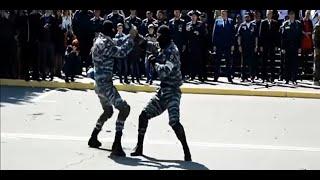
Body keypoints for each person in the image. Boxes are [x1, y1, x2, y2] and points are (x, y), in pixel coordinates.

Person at [130, 25, 192, 161]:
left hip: (173, 91)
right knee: (143, 115)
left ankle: (186, 151)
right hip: (163, 91)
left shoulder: (172, 51)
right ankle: (139, 147)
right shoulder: (162, 46)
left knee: (174, 122)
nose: (157, 38)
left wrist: (153, 63)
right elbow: (148, 45)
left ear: (165, 36)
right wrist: (136, 35)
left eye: (158, 35)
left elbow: (164, 71)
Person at [88, 20, 138, 157]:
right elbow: (121, 52)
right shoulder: (106, 43)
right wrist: (132, 37)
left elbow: (116, 45)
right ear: (110, 31)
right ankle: (117, 144)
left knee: (108, 111)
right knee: (124, 109)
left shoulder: (99, 40)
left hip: (98, 84)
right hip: (106, 85)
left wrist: (128, 36)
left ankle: (93, 137)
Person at [212, 10, 236, 83]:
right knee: (217, 61)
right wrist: (214, 44)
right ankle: (216, 77)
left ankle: (229, 77)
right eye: (222, 13)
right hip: (219, 44)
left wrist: (232, 44)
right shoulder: (217, 21)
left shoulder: (231, 21)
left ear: (227, 14)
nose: (223, 14)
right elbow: (214, 33)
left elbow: (233, 34)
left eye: (225, 13)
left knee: (228, 62)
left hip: (228, 45)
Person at [280, 10, 302, 84]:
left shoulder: (298, 24)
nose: (292, 15)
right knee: (287, 63)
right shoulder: (285, 24)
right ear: (288, 15)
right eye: (290, 14)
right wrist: (282, 48)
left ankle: (294, 79)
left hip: (295, 46)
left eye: (293, 14)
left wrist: (299, 47)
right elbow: (283, 37)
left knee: (295, 63)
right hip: (287, 47)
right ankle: (287, 79)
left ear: (294, 15)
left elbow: (300, 36)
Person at [259, 10, 281, 83]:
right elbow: (260, 34)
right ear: (266, 14)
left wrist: (277, 45)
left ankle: (272, 78)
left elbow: (277, 35)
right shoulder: (263, 22)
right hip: (264, 45)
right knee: (264, 61)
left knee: (272, 61)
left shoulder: (275, 23)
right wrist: (261, 45)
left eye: (270, 14)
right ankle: (264, 77)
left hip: (272, 45)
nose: (269, 15)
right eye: (268, 14)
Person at [186, 10, 207, 82]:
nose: (193, 17)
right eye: (192, 16)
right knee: (191, 61)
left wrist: (199, 33)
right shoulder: (188, 24)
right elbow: (186, 35)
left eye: (195, 16)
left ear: (197, 17)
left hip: (199, 46)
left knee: (199, 62)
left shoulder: (201, 24)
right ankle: (192, 76)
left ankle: (200, 76)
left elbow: (205, 34)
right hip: (191, 46)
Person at [237, 12, 258, 82]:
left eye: (248, 17)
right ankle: (243, 77)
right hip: (244, 47)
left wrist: (256, 46)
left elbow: (256, 37)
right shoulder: (242, 25)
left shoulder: (254, 25)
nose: (247, 18)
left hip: (252, 47)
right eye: (245, 17)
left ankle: (252, 77)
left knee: (252, 63)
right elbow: (239, 36)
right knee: (243, 63)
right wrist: (239, 45)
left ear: (250, 17)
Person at [169, 10, 187, 80]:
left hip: (180, 44)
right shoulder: (171, 22)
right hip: (172, 44)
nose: (177, 13)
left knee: (180, 60)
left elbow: (185, 34)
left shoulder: (183, 22)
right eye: (176, 12)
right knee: (172, 59)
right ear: (174, 12)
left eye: (178, 12)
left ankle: (181, 75)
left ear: (180, 13)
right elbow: (169, 33)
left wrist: (184, 44)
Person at [39, 10, 56, 81]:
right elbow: (39, 30)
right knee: (43, 59)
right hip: (43, 42)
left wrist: (50, 27)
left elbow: (55, 30)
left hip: (51, 42)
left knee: (51, 59)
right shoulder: (41, 18)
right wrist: (43, 28)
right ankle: (43, 74)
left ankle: (51, 74)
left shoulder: (53, 19)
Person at [301, 10, 314, 77]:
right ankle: (303, 69)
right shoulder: (302, 21)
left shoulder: (310, 21)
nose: (308, 15)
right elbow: (300, 29)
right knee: (303, 56)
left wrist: (308, 33)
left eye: (309, 14)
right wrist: (305, 33)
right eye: (307, 13)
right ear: (305, 14)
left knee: (307, 56)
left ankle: (307, 69)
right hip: (303, 40)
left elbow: (312, 29)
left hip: (308, 40)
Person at [53, 10, 65, 79]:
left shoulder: (62, 19)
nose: (59, 13)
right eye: (57, 11)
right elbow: (53, 29)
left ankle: (59, 71)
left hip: (61, 40)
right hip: (55, 40)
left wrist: (62, 28)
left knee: (60, 56)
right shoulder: (54, 19)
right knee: (55, 56)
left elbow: (65, 29)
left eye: (60, 12)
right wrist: (58, 27)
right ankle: (55, 72)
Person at [313, 13, 320, 85]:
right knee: (317, 64)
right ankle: (316, 79)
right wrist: (316, 48)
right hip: (318, 48)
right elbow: (314, 38)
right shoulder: (317, 26)